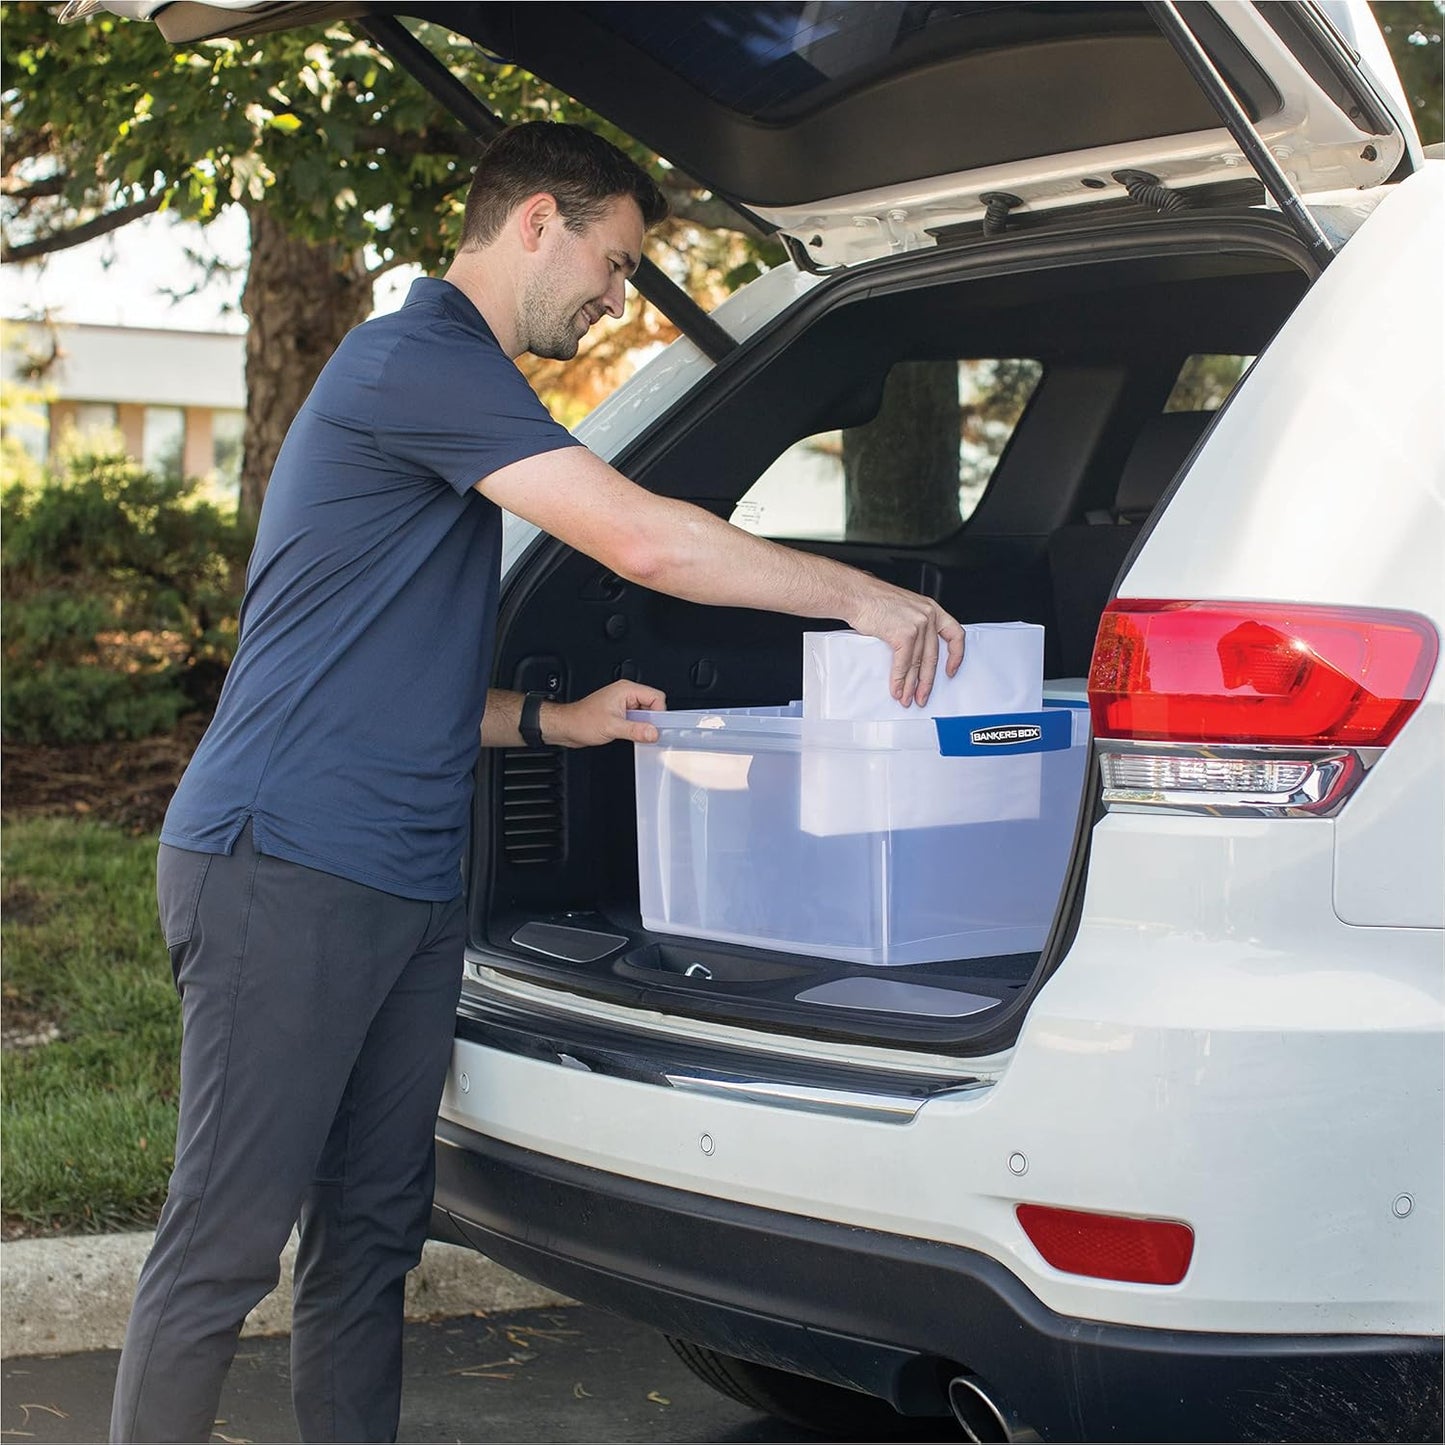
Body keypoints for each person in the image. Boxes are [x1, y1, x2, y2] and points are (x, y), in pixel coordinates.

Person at [109, 121, 963, 1443]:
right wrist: (862, 599)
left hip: (395, 879)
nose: (617, 295)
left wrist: (555, 721)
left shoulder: (457, 382)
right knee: (222, 1246)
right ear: (534, 226)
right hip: (280, 865)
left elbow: (384, 667)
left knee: (372, 1234)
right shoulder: (413, 357)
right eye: (613, 261)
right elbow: (639, 540)